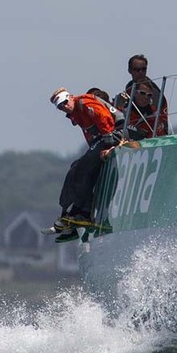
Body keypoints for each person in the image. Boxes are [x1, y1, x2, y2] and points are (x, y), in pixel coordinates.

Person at [47, 87, 121, 243]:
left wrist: (108, 142)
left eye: (65, 102)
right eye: (60, 107)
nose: (64, 107)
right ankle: (69, 215)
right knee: (74, 169)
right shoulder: (74, 113)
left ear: (71, 97)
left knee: (83, 167)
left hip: (114, 133)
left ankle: (82, 212)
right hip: (102, 138)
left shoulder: (84, 102)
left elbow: (103, 117)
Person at [117, 54, 169, 138]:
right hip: (133, 132)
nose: (141, 73)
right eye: (137, 70)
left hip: (154, 131)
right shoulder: (129, 88)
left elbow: (156, 115)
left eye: (143, 69)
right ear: (129, 70)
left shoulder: (154, 92)